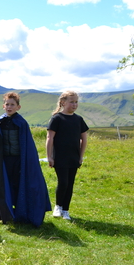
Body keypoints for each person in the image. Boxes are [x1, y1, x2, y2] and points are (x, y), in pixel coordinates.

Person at [0, 92, 51, 227]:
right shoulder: (0, 121)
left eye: (12, 105)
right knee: (2, 185)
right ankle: (1, 212)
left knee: (18, 185)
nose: (9, 107)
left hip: (19, 160)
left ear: (18, 107)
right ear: (3, 106)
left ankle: (19, 212)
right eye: (7, 104)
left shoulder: (21, 123)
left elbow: (26, 143)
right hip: (4, 160)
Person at [46, 90, 89, 221]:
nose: (74, 105)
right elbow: (50, 138)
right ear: (63, 103)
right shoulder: (57, 118)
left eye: (76, 102)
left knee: (70, 184)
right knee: (63, 182)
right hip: (60, 157)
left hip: (73, 157)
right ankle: (58, 206)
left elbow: (84, 139)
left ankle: (66, 210)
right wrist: (49, 156)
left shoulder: (78, 119)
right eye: (72, 102)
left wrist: (81, 156)